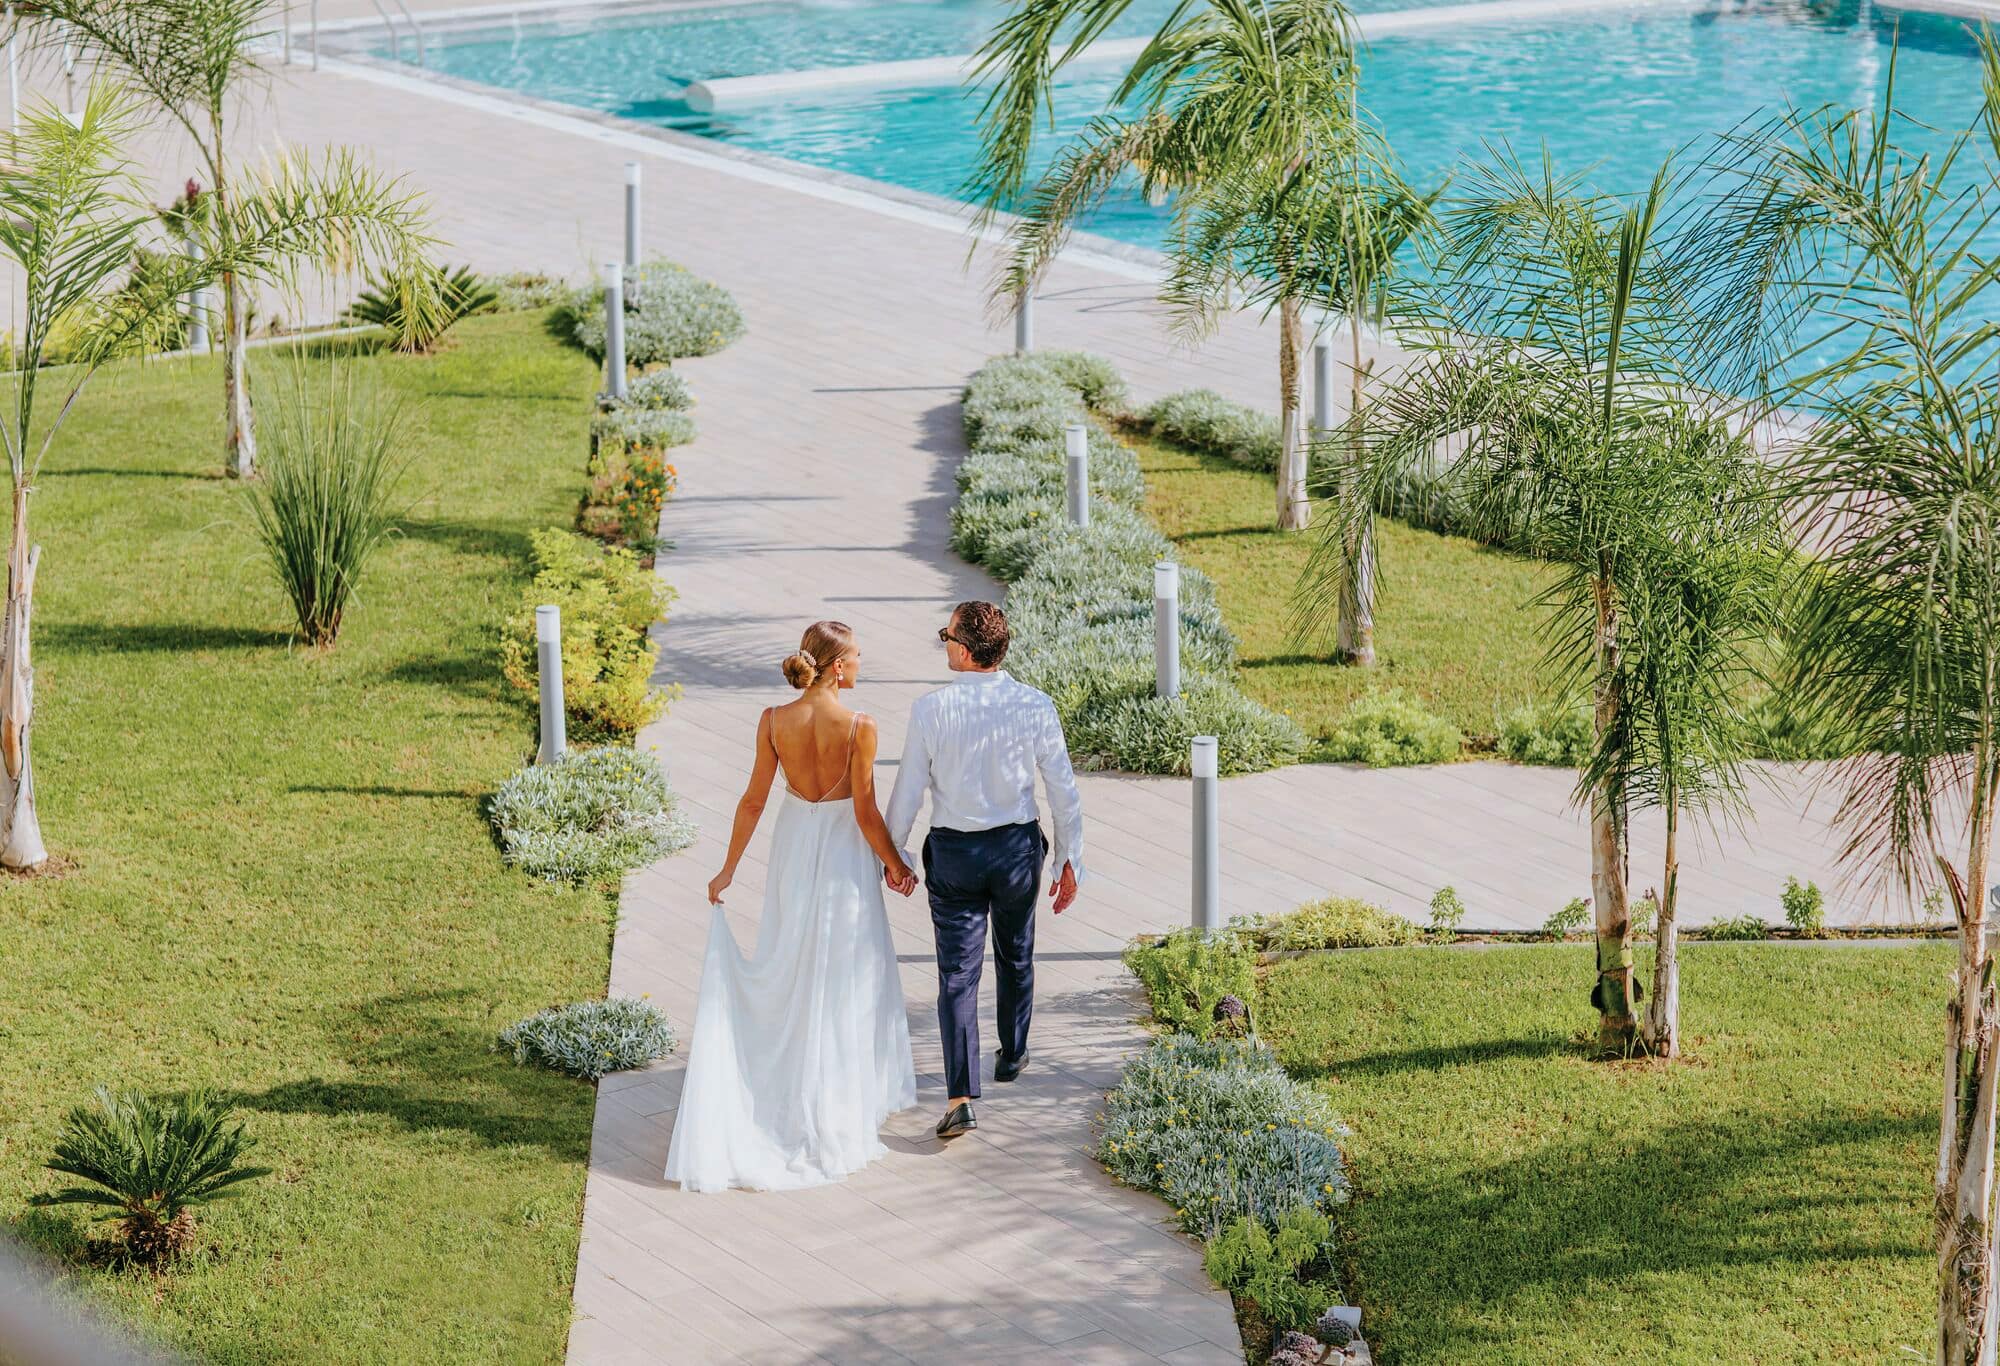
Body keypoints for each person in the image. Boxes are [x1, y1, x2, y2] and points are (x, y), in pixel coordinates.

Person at [664, 621, 919, 1193]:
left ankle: (789, 1079)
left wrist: (728, 868)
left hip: (792, 845)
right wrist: (897, 866)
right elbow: (865, 813)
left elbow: (754, 801)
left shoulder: (774, 720)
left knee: (790, 953)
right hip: (842, 852)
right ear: (835, 666)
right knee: (845, 966)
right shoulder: (859, 726)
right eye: (855, 657)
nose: (860, 666)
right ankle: (837, 1095)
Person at [886, 600, 1085, 1141]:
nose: (943, 642)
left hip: (954, 855)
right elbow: (1062, 789)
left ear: (966, 651)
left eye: (946, 635)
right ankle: (1013, 1052)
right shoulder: (1034, 705)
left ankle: (959, 1098)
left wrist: (895, 854)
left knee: (957, 975)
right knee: (1016, 953)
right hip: (1016, 849)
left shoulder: (930, 710)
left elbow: (908, 790)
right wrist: (1069, 859)